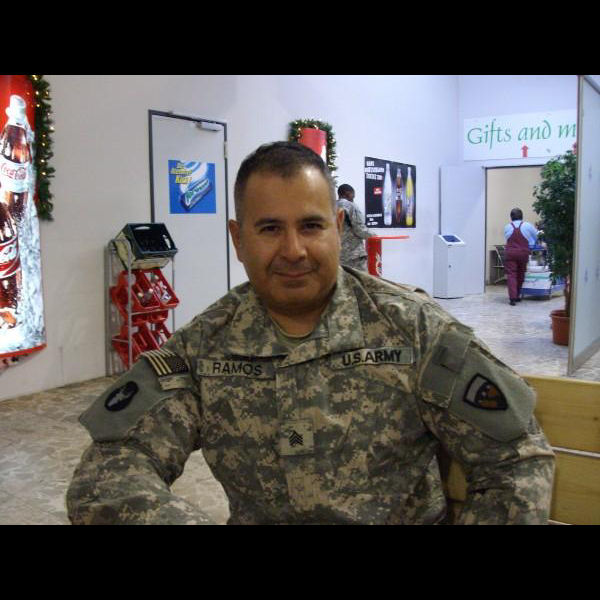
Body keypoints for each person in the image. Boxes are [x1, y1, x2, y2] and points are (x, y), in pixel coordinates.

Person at [67, 141, 554, 525]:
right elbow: (110, 471)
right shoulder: (205, 346)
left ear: (338, 228)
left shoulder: (413, 330)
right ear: (238, 239)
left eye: (311, 226)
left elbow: (517, 458)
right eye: (270, 229)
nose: (294, 250)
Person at [504, 208, 540, 306]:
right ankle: (517, 295)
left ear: (511, 217)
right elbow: (537, 236)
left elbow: (507, 238)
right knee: (520, 274)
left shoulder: (507, 227)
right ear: (522, 216)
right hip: (523, 253)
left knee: (511, 275)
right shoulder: (527, 225)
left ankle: (512, 298)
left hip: (510, 253)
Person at [336, 184, 374, 271]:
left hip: (337, 255)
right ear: (348, 193)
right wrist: (374, 236)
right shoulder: (351, 206)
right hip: (353, 255)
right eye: (353, 195)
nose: (353, 198)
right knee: (360, 279)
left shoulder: (331, 206)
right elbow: (359, 229)